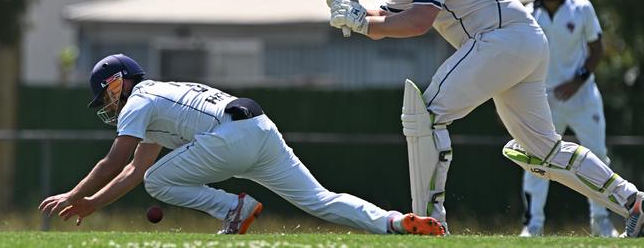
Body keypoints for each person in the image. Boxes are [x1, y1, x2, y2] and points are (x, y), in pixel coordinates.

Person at [325, 0, 644, 237]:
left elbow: (418, 23)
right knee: (544, 152)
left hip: (502, 40)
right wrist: (350, 7)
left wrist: (360, 22)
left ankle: (430, 223)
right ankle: (634, 202)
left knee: (427, 114)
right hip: (522, 45)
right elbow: (388, 20)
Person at [38, 54, 445, 236]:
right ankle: (395, 222)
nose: (108, 103)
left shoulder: (140, 99)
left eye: (107, 93)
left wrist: (78, 195)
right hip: (258, 128)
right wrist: (92, 204)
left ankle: (234, 209)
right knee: (321, 200)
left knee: (158, 182)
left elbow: (117, 162)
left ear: (119, 80)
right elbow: (131, 170)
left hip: (231, 136)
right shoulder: (154, 101)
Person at [519, 0, 618, 237]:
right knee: (537, 160)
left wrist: (577, 81)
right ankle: (533, 224)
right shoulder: (528, 13)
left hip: (582, 96)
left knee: (597, 157)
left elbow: (596, 49)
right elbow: (522, 56)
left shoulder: (581, 7)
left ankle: (601, 221)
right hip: (544, 99)